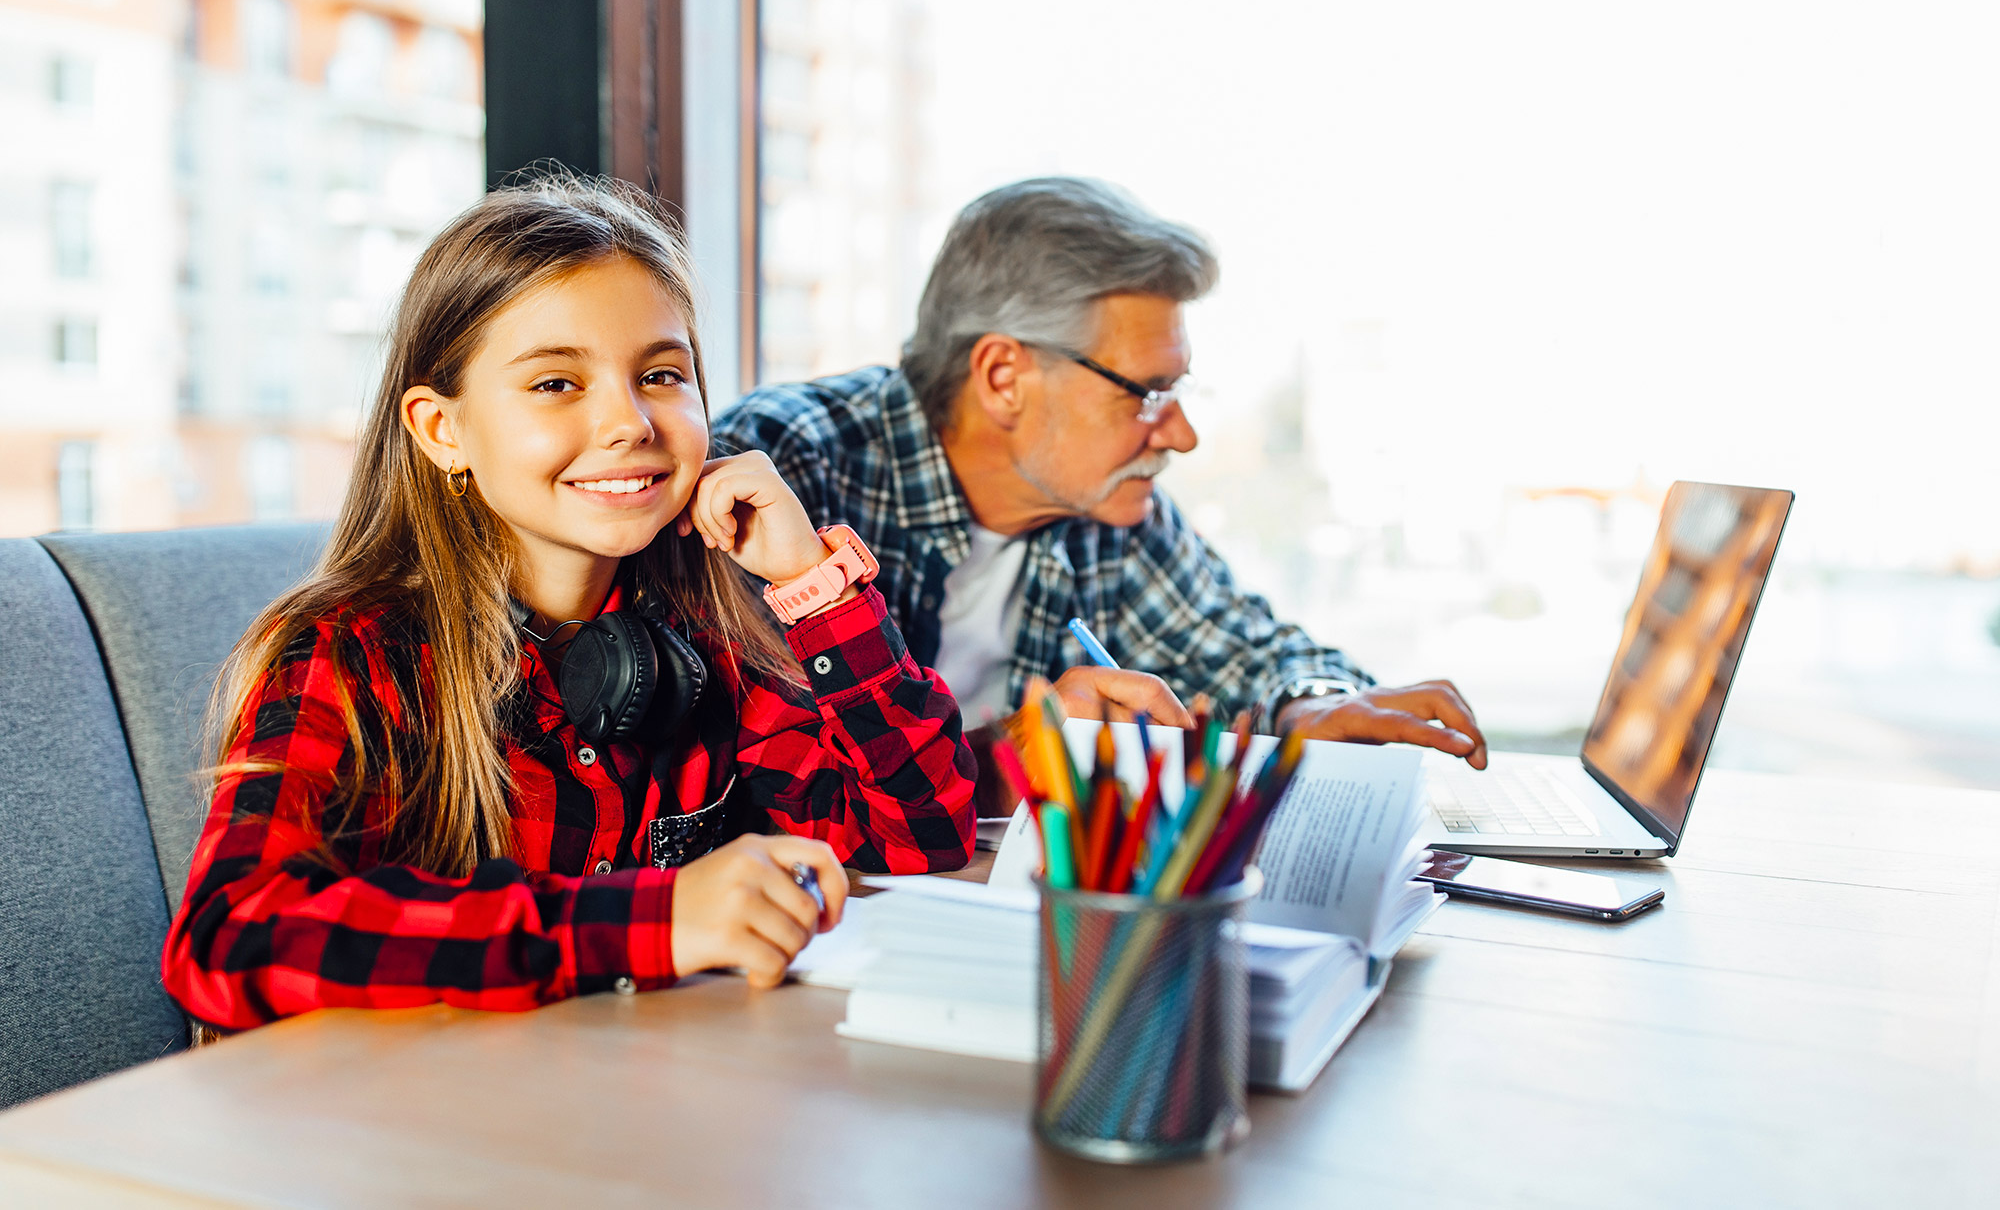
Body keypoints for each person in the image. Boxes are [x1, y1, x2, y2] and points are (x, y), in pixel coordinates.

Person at [163, 176, 975, 1033]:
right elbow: (228, 939)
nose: (628, 422)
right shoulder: (352, 651)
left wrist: (812, 581)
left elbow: (919, 838)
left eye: (661, 373)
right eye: (556, 383)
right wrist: (648, 922)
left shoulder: (707, 640)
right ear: (443, 431)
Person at [713, 176, 1485, 776]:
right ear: (1004, 375)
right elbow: (751, 779)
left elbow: (1248, 650)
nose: (1181, 433)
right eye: (1148, 394)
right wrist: (1004, 756)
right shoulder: (781, 472)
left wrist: (1312, 704)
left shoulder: (1108, 507)